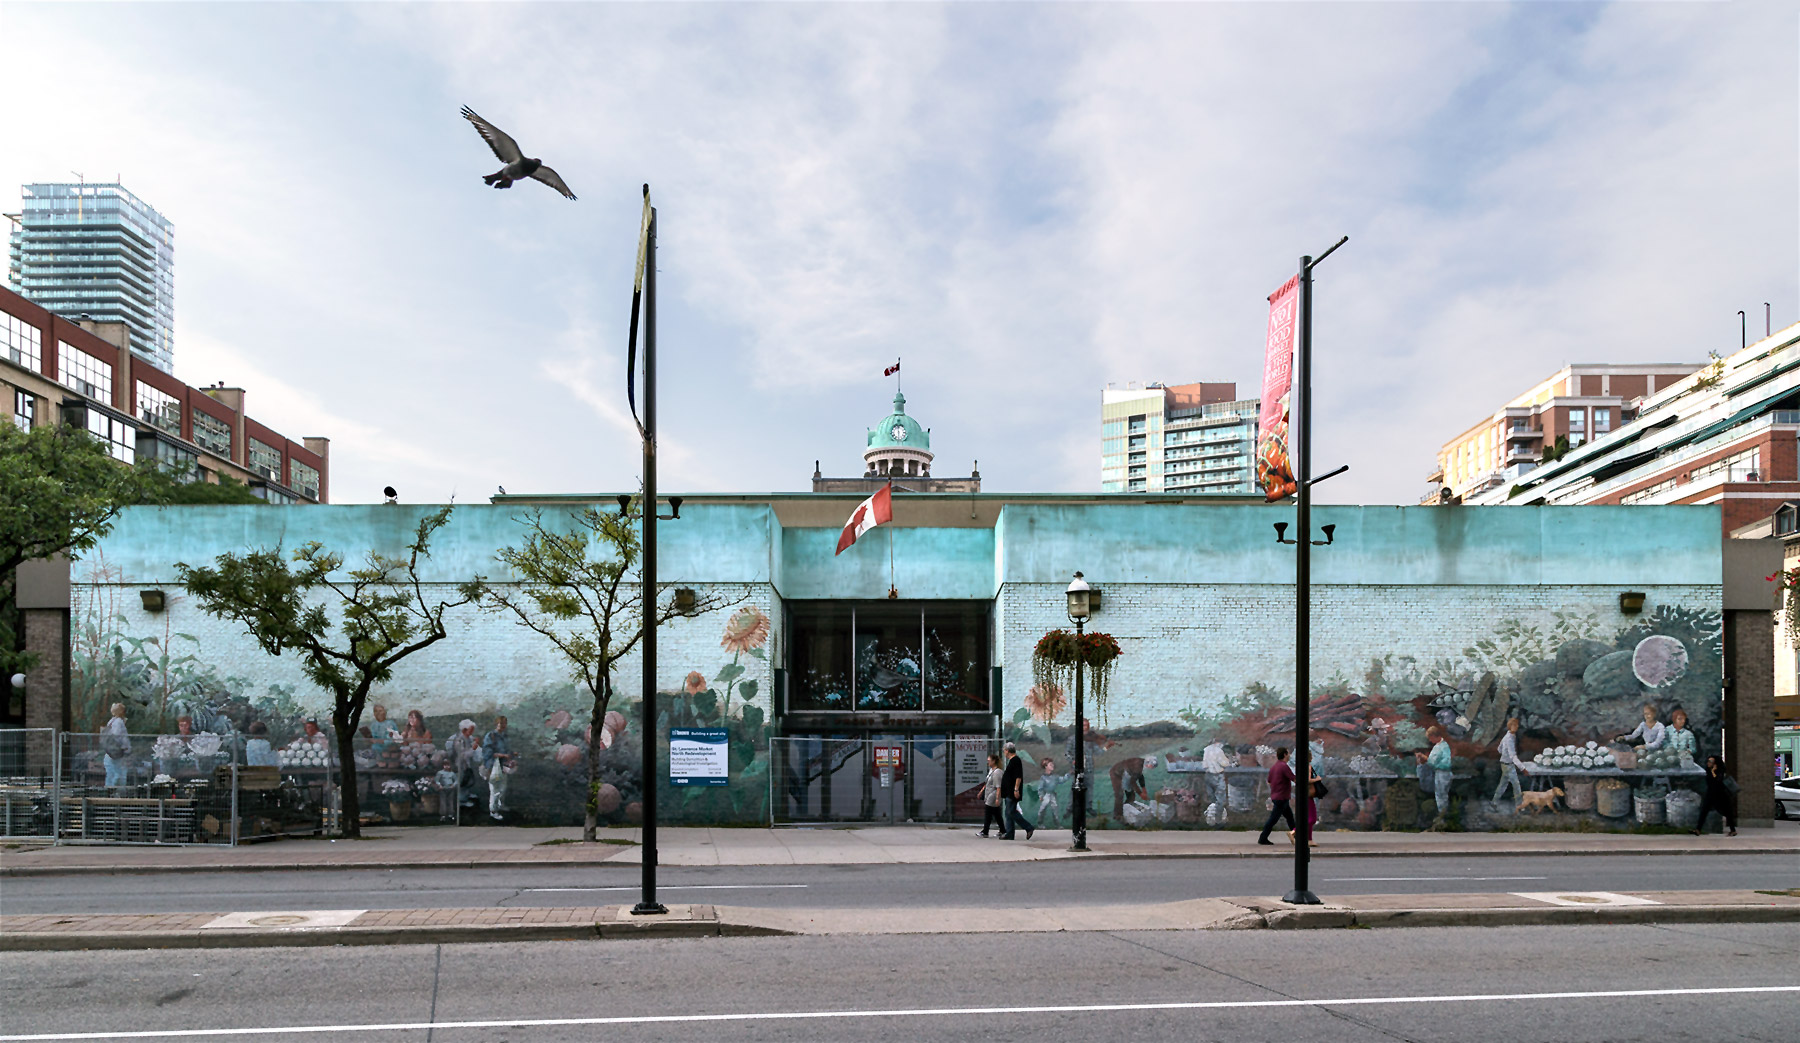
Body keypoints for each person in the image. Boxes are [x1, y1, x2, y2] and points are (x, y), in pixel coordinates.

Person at [1256, 746, 1296, 845]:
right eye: (1288, 753)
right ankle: (1263, 838)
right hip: (1281, 797)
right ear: (1285, 754)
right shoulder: (1283, 766)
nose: (1289, 755)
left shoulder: (1275, 766)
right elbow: (1294, 778)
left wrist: (1277, 786)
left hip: (1278, 796)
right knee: (1273, 819)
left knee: (1290, 818)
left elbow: (1269, 781)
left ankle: (1297, 836)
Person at [1695, 754, 1737, 836]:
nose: (1708, 763)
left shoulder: (1720, 771)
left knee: (1727, 812)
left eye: (1710, 761)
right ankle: (1698, 829)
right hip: (1711, 794)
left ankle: (1733, 830)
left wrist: (1713, 772)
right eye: (1708, 761)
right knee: (1704, 811)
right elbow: (1709, 782)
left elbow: (1717, 781)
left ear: (1715, 763)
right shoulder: (1708, 770)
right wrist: (1711, 772)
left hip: (1721, 794)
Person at [999, 741, 1034, 840]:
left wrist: (1016, 789)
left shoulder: (1016, 760)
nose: (1004, 753)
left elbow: (1018, 776)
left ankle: (1028, 827)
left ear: (1007, 751)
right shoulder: (1012, 760)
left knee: (1011, 812)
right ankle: (1009, 834)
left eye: (1004, 751)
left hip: (1012, 791)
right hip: (1008, 791)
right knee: (1008, 812)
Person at [481, 716, 514, 820]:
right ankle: (493, 811)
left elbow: (507, 750)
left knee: (503, 787)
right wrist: (503, 755)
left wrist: (511, 755)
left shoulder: (505, 736)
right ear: (496, 724)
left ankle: (500, 805)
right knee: (495, 789)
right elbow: (487, 753)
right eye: (501, 723)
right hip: (493, 765)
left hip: (503, 765)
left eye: (504, 723)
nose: (503, 725)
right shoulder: (490, 736)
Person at [1418, 726, 1453, 821]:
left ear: (1433, 736)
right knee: (1443, 795)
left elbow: (1432, 762)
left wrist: (1423, 757)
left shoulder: (1440, 747)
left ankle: (1442, 817)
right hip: (1444, 773)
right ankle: (1443, 815)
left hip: (1442, 773)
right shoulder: (1444, 745)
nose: (1430, 740)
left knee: (1441, 795)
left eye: (1430, 738)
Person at [445, 719, 481, 808]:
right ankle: (461, 801)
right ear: (464, 730)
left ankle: (466, 795)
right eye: (471, 730)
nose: (472, 732)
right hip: (460, 764)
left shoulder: (468, 737)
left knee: (468, 780)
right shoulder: (459, 740)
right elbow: (462, 755)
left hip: (467, 764)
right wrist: (473, 748)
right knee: (462, 782)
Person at [1493, 717, 1526, 805]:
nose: (1517, 727)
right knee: (1516, 785)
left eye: (1517, 725)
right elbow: (1513, 756)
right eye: (1515, 725)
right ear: (1510, 726)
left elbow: (1499, 749)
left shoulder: (1508, 735)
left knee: (1503, 785)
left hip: (1504, 764)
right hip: (1508, 765)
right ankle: (1520, 806)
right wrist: (1523, 768)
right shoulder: (1509, 739)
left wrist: (1504, 754)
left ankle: (1494, 802)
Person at [101, 702, 131, 788]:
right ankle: (117, 793)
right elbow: (118, 735)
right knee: (119, 774)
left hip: (110, 752)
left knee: (111, 773)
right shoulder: (118, 722)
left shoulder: (111, 721)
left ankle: (109, 792)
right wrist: (125, 747)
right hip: (117, 752)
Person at [977, 753, 1004, 837]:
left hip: (993, 794)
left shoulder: (997, 772)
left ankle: (985, 831)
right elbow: (987, 782)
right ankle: (1003, 830)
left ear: (994, 761)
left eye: (989, 761)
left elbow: (998, 786)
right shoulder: (991, 770)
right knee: (997, 813)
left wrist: (997, 798)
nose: (988, 762)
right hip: (988, 793)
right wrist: (981, 791)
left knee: (988, 813)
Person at [1201, 739, 1233, 810]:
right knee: (1220, 792)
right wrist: (1229, 761)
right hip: (1217, 774)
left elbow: (1204, 764)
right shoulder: (1218, 751)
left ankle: (1212, 807)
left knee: (1210, 791)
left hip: (1208, 774)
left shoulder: (1206, 749)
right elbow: (1224, 763)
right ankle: (1219, 808)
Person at [1033, 757, 1065, 826]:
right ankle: (1040, 823)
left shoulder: (1055, 777)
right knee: (1042, 809)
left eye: (1052, 764)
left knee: (1055, 809)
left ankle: (1057, 824)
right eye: (1050, 764)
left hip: (1053, 795)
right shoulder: (1043, 777)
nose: (1052, 765)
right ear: (1046, 766)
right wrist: (1041, 795)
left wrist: (1068, 775)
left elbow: (1062, 780)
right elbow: (1040, 787)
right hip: (1046, 795)